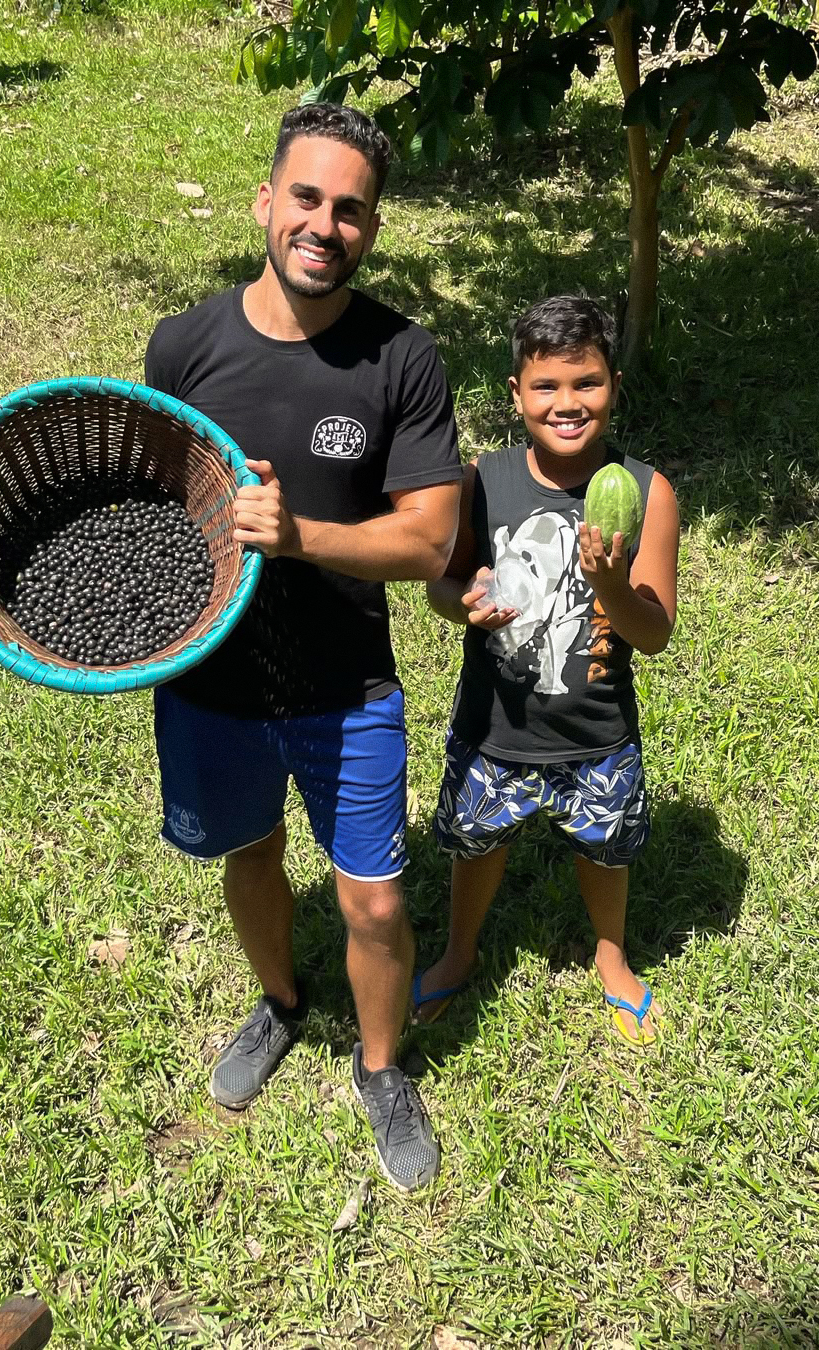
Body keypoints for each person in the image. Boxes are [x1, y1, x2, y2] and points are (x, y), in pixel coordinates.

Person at [144, 104, 462, 1191]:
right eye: (308, 198)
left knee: (372, 896)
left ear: (372, 228)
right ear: (267, 203)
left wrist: (300, 535)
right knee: (250, 856)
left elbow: (428, 541)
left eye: (352, 209)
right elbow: (151, 501)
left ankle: (380, 1068)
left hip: (346, 683)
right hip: (210, 681)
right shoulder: (183, 345)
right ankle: (282, 1004)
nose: (326, 224)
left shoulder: (401, 357)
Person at [415, 293, 679, 1047]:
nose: (568, 403)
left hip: (597, 730)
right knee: (478, 846)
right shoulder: (483, 480)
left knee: (605, 850)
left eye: (587, 383)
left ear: (615, 386)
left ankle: (611, 956)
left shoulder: (645, 492)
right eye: (547, 386)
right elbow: (443, 579)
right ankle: (460, 951)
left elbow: (653, 632)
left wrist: (609, 588)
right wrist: (459, 603)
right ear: (516, 394)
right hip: (494, 727)